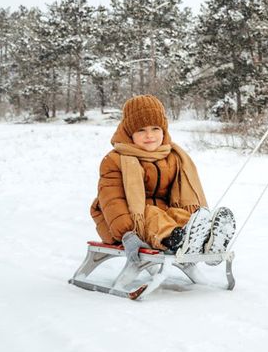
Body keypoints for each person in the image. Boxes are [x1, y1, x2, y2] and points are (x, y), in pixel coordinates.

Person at [90, 94, 234, 262]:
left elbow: (177, 198)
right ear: (129, 133)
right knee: (152, 212)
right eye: (141, 130)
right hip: (120, 223)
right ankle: (176, 239)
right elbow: (112, 201)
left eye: (155, 129)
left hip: (161, 216)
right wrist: (127, 234)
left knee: (177, 213)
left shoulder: (173, 156)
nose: (149, 135)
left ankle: (206, 237)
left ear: (164, 129)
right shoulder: (115, 160)